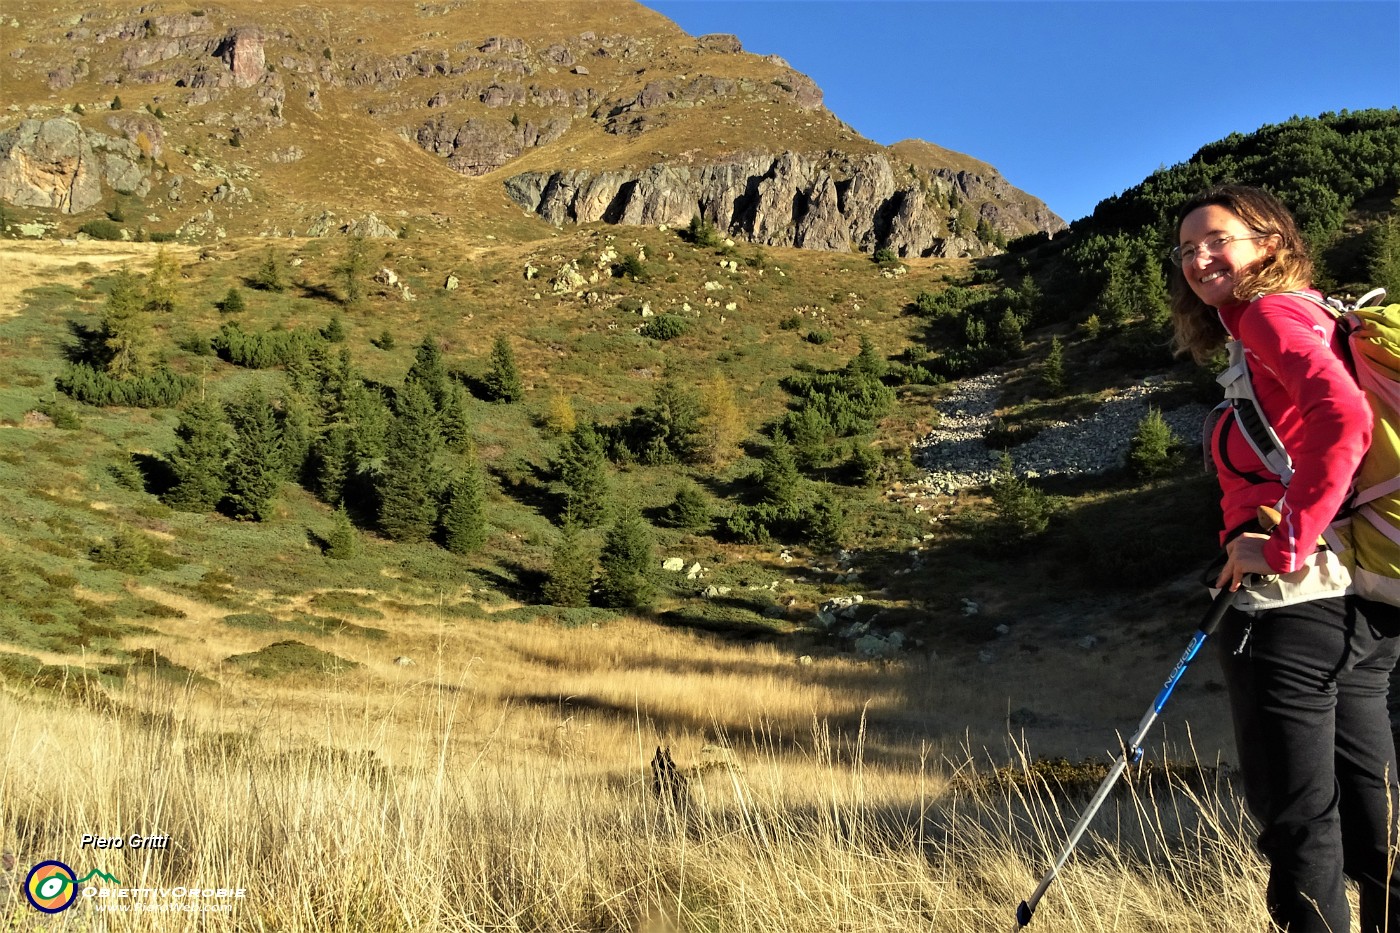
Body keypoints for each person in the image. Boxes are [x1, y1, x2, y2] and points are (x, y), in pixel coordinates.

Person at [1171, 184, 1400, 932]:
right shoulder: (1308, 314)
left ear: (1269, 242)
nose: (1199, 258)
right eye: (1186, 250)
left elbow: (1344, 419)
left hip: (1293, 603)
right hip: (1354, 605)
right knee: (1377, 820)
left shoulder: (1271, 313)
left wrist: (1284, 541)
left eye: (1217, 240)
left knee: (1300, 823)